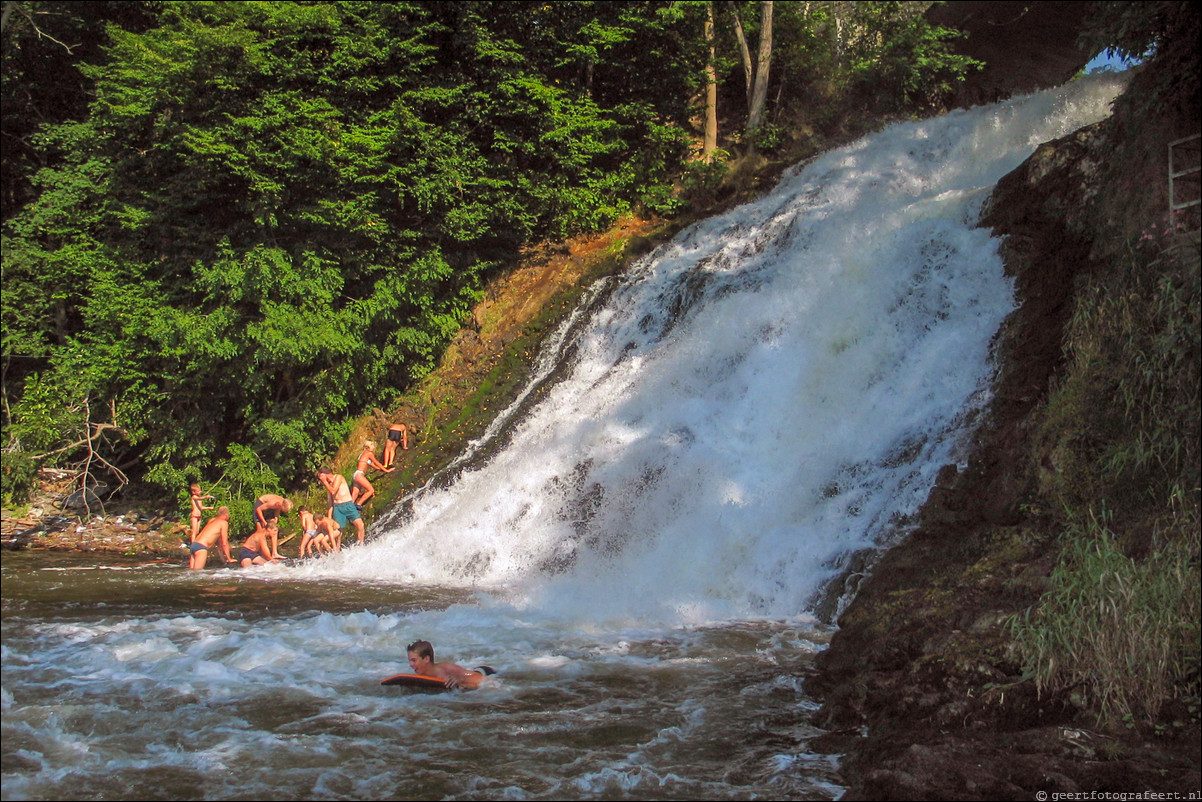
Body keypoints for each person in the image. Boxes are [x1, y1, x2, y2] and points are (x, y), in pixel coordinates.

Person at [406, 640, 489, 689]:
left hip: (484, 671)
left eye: (414, 660)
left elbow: (483, 679)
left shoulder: (446, 669)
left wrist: (461, 679)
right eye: (410, 661)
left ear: (426, 659)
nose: (410, 665)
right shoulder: (420, 676)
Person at [317, 466, 366, 545]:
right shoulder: (328, 485)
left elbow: (333, 491)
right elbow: (330, 502)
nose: (320, 479)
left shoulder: (338, 477)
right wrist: (329, 518)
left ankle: (361, 544)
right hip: (338, 507)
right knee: (338, 531)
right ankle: (337, 550)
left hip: (348, 504)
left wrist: (325, 482)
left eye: (321, 476)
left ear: (325, 474)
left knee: (360, 525)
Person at [350, 439, 393, 508]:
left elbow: (373, 465)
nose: (373, 446)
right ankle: (358, 504)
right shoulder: (369, 453)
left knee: (355, 494)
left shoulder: (363, 453)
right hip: (359, 474)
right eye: (372, 445)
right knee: (371, 490)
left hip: (356, 475)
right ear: (368, 447)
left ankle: (349, 508)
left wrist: (380, 469)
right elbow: (377, 463)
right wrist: (386, 470)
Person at [251, 493, 293, 559]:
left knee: (274, 529)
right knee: (260, 531)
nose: (285, 512)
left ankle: (274, 553)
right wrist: (263, 521)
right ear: (283, 506)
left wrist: (276, 518)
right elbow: (258, 510)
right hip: (260, 506)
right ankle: (258, 552)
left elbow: (278, 509)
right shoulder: (273, 503)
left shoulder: (281, 503)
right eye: (285, 510)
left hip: (269, 509)